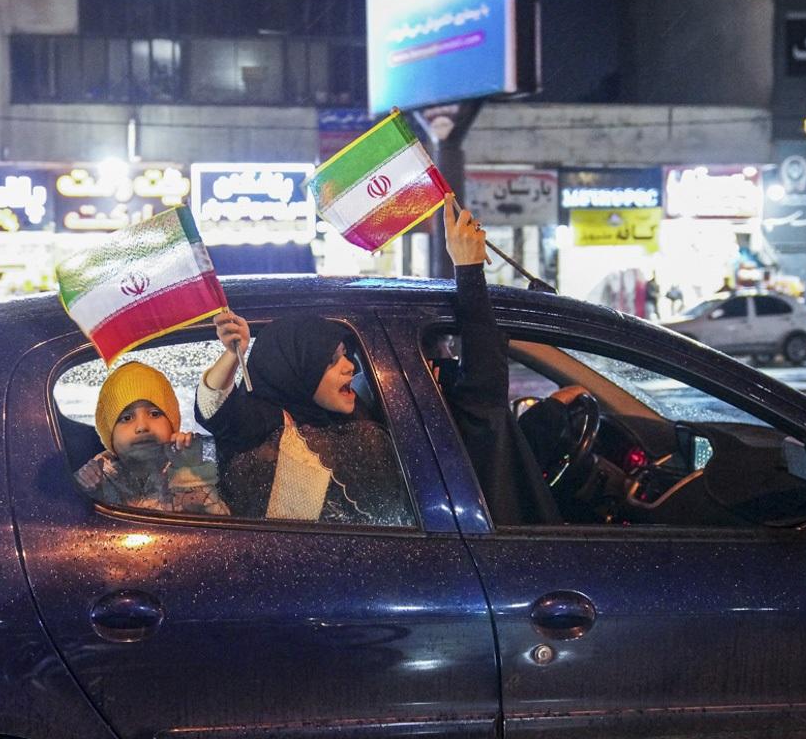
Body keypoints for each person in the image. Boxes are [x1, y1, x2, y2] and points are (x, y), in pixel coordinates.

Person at [195, 311, 410, 525]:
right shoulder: (269, 421)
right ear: (294, 368)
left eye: (346, 354)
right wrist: (233, 355)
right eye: (331, 360)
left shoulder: (353, 413)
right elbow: (215, 411)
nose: (349, 366)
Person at [432, 197, 561, 527]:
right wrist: (469, 271)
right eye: (445, 350)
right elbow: (483, 382)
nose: (451, 357)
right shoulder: (461, 419)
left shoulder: (430, 423)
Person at [74, 361, 227, 515]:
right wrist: (85, 486)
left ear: (172, 423)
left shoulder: (190, 462)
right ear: (109, 435)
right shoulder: (99, 475)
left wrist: (190, 473)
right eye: (126, 418)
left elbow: (219, 524)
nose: (142, 426)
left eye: (154, 414)